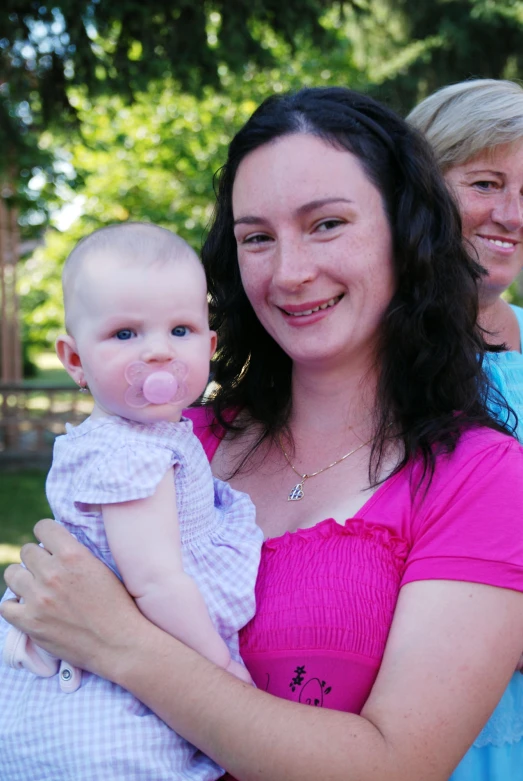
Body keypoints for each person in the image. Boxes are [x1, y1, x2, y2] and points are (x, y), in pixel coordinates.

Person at [2, 86, 523, 781]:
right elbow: (51, 600)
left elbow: (397, 765)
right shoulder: (168, 440)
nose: (290, 271)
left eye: (327, 223)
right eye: (256, 237)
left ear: (405, 230)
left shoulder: (480, 476)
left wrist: (123, 644)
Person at [0, 222, 262, 780]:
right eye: (124, 335)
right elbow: (156, 582)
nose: (159, 352)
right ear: (74, 360)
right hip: (114, 699)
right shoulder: (127, 456)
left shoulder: (151, 435)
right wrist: (221, 672)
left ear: (210, 346)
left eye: (181, 329)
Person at [407, 78, 523, 781]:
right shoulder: (374, 356)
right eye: (485, 182)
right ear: (421, 184)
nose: (510, 214)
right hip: (429, 740)